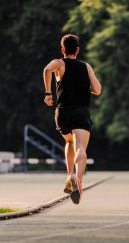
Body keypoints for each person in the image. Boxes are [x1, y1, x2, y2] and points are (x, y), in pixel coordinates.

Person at [43, 34, 102, 204]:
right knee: (81, 148)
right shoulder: (86, 67)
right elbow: (97, 90)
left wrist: (48, 93)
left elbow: (47, 69)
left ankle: (69, 176)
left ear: (63, 50)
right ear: (77, 50)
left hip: (62, 113)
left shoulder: (59, 64)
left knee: (69, 142)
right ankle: (78, 179)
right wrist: (84, 87)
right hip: (81, 112)